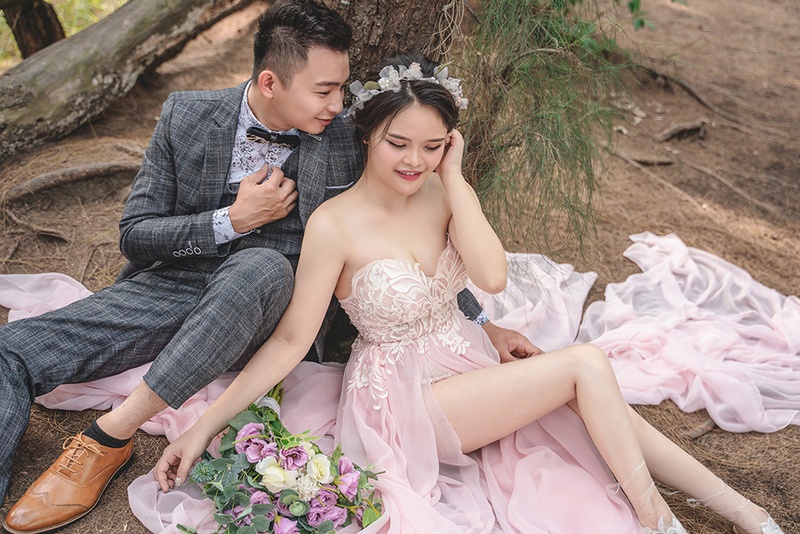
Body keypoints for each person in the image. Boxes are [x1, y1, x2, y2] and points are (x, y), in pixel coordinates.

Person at [150, 55, 784, 534]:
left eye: (432, 147)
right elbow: (292, 340)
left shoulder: (441, 190)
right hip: (401, 401)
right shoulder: (334, 225)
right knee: (586, 366)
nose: (413, 161)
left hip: (465, 361)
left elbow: (491, 277)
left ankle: (747, 513)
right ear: (367, 135)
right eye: (398, 144)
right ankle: (657, 521)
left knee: (596, 404)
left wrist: (454, 180)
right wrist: (203, 428)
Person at [0, 4, 532, 532]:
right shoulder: (186, 115)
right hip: (172, 288)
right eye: (324, 90)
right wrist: (229, 220)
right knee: (14, 349)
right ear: (271, 81)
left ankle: (106, 439)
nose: (338, 104)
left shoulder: (354, 137)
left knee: (259, 266)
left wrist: (481, 323)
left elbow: (406, 246)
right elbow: (135, 235)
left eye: (341, 88)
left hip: (270, 302)